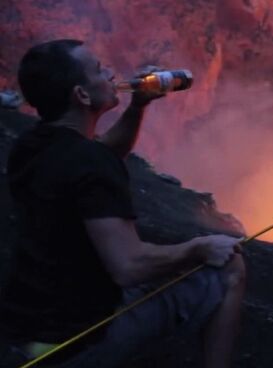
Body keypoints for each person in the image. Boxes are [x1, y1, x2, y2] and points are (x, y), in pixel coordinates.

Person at [0, 39, 246, 368]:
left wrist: (137, 106)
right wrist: (198, 248)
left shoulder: (32, 145)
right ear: (82, 96)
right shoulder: (90, 162)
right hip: (77, 341)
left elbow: (98, 156)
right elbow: (129, 266)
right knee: (229, 267)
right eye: (100, 70)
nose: (111, 74)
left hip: (26, 328)